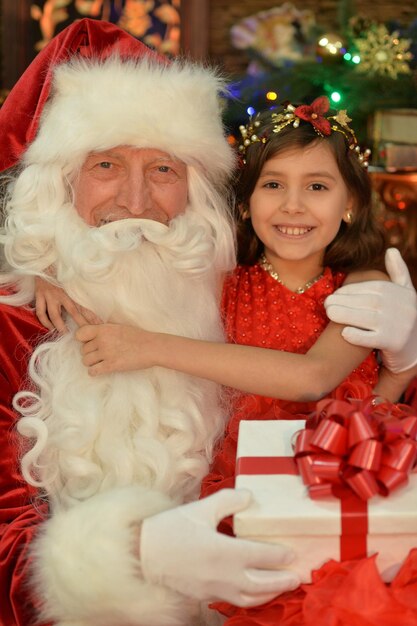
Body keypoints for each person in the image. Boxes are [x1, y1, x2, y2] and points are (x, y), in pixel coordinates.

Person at [61, 97, 417, 625]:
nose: (293, 205)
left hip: (347, 492)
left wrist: (146, 346)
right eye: (273, 184)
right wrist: (39, 278)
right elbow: (119, 262)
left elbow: (313, 380)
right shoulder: (219, 283)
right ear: (246, 202)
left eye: (317, 186)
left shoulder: (361, 286)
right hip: (245, 497)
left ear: (350, 205)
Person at [0, 18, 305, 626]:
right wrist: (131, 557)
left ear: (196, 191)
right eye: (106, 166)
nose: (135, 203)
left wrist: (402, 361)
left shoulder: (242, 298)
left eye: (163, 170)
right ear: (57, 187)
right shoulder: (13, 326)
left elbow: (350, 429)